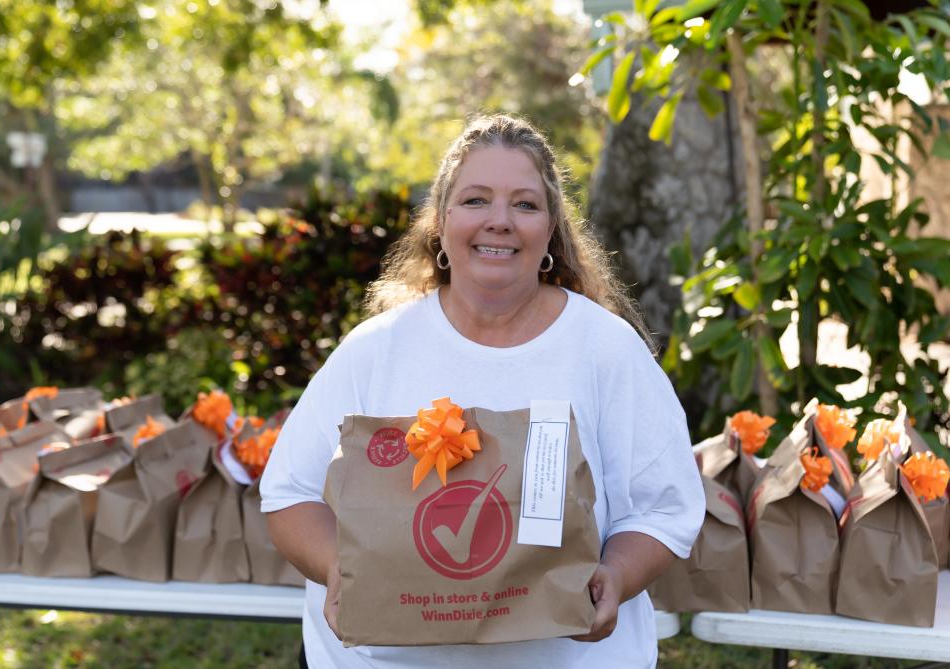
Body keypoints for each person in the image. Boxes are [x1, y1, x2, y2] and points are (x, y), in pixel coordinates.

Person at [261, 114, 704, 669]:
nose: (500, 221)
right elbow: (289, 493)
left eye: (524, 204)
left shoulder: (606, 350)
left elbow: (664, 506)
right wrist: (340, 573)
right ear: (441, 222)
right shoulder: (377, 349)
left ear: (550, 230)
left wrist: (615, 576)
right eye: (475, 200)